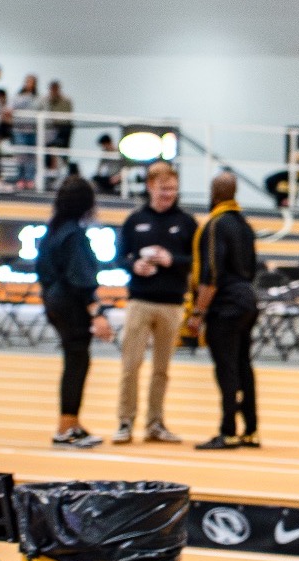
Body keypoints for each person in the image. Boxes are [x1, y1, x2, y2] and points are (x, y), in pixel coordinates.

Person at [113, 162, 195, 444]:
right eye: (163, 189)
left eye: (172, 189)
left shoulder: (186, 222)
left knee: (162, 369)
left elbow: (195, 261)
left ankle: (155, 423)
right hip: (140, 301)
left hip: (172, 304)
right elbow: (118, 257)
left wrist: (173, 261)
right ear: (150, 187)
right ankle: (125, 421)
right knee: (130, 364)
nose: (168, 195)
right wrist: (134, 265)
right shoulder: (135, 220)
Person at [37, 176, 113, 447]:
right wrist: (97, 313)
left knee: (75, 360)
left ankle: (72, 422)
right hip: (71, 305)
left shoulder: (53, 231)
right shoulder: (74, 235)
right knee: (76, 362)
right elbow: (80, 280)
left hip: (53, 301)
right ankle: (66, 426)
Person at [189, 172, 261, 450]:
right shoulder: (244, 225)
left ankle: (228, 430)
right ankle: (251, 430)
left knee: (226, 368)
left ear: (213, 193)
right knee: (244, 365)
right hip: (247, 300)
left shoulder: (215, 225)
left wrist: (197, 313)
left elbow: (212, 273)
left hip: (226, 305)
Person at [10, 74, 43, 187]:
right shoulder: (18, 96)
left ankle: (30, 179)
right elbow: (13, 107)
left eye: (32, 82)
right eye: (28, 82)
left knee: (31, 156)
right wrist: (26, 96)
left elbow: (41, 110)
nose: (29, 84)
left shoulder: (38, 98)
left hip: (32, 130)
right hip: (20, 129)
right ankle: (21, 177)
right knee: (21, 155)